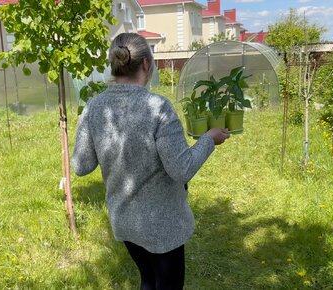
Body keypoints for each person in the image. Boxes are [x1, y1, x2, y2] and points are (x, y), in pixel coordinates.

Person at [72, 33, 230, 290]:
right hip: (163, 227)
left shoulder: (94, 107)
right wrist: (209, 139)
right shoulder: (158, 107)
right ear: (146, 64)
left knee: (148, 280)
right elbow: (182, 169)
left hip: (124, 220)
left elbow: (81, 165)